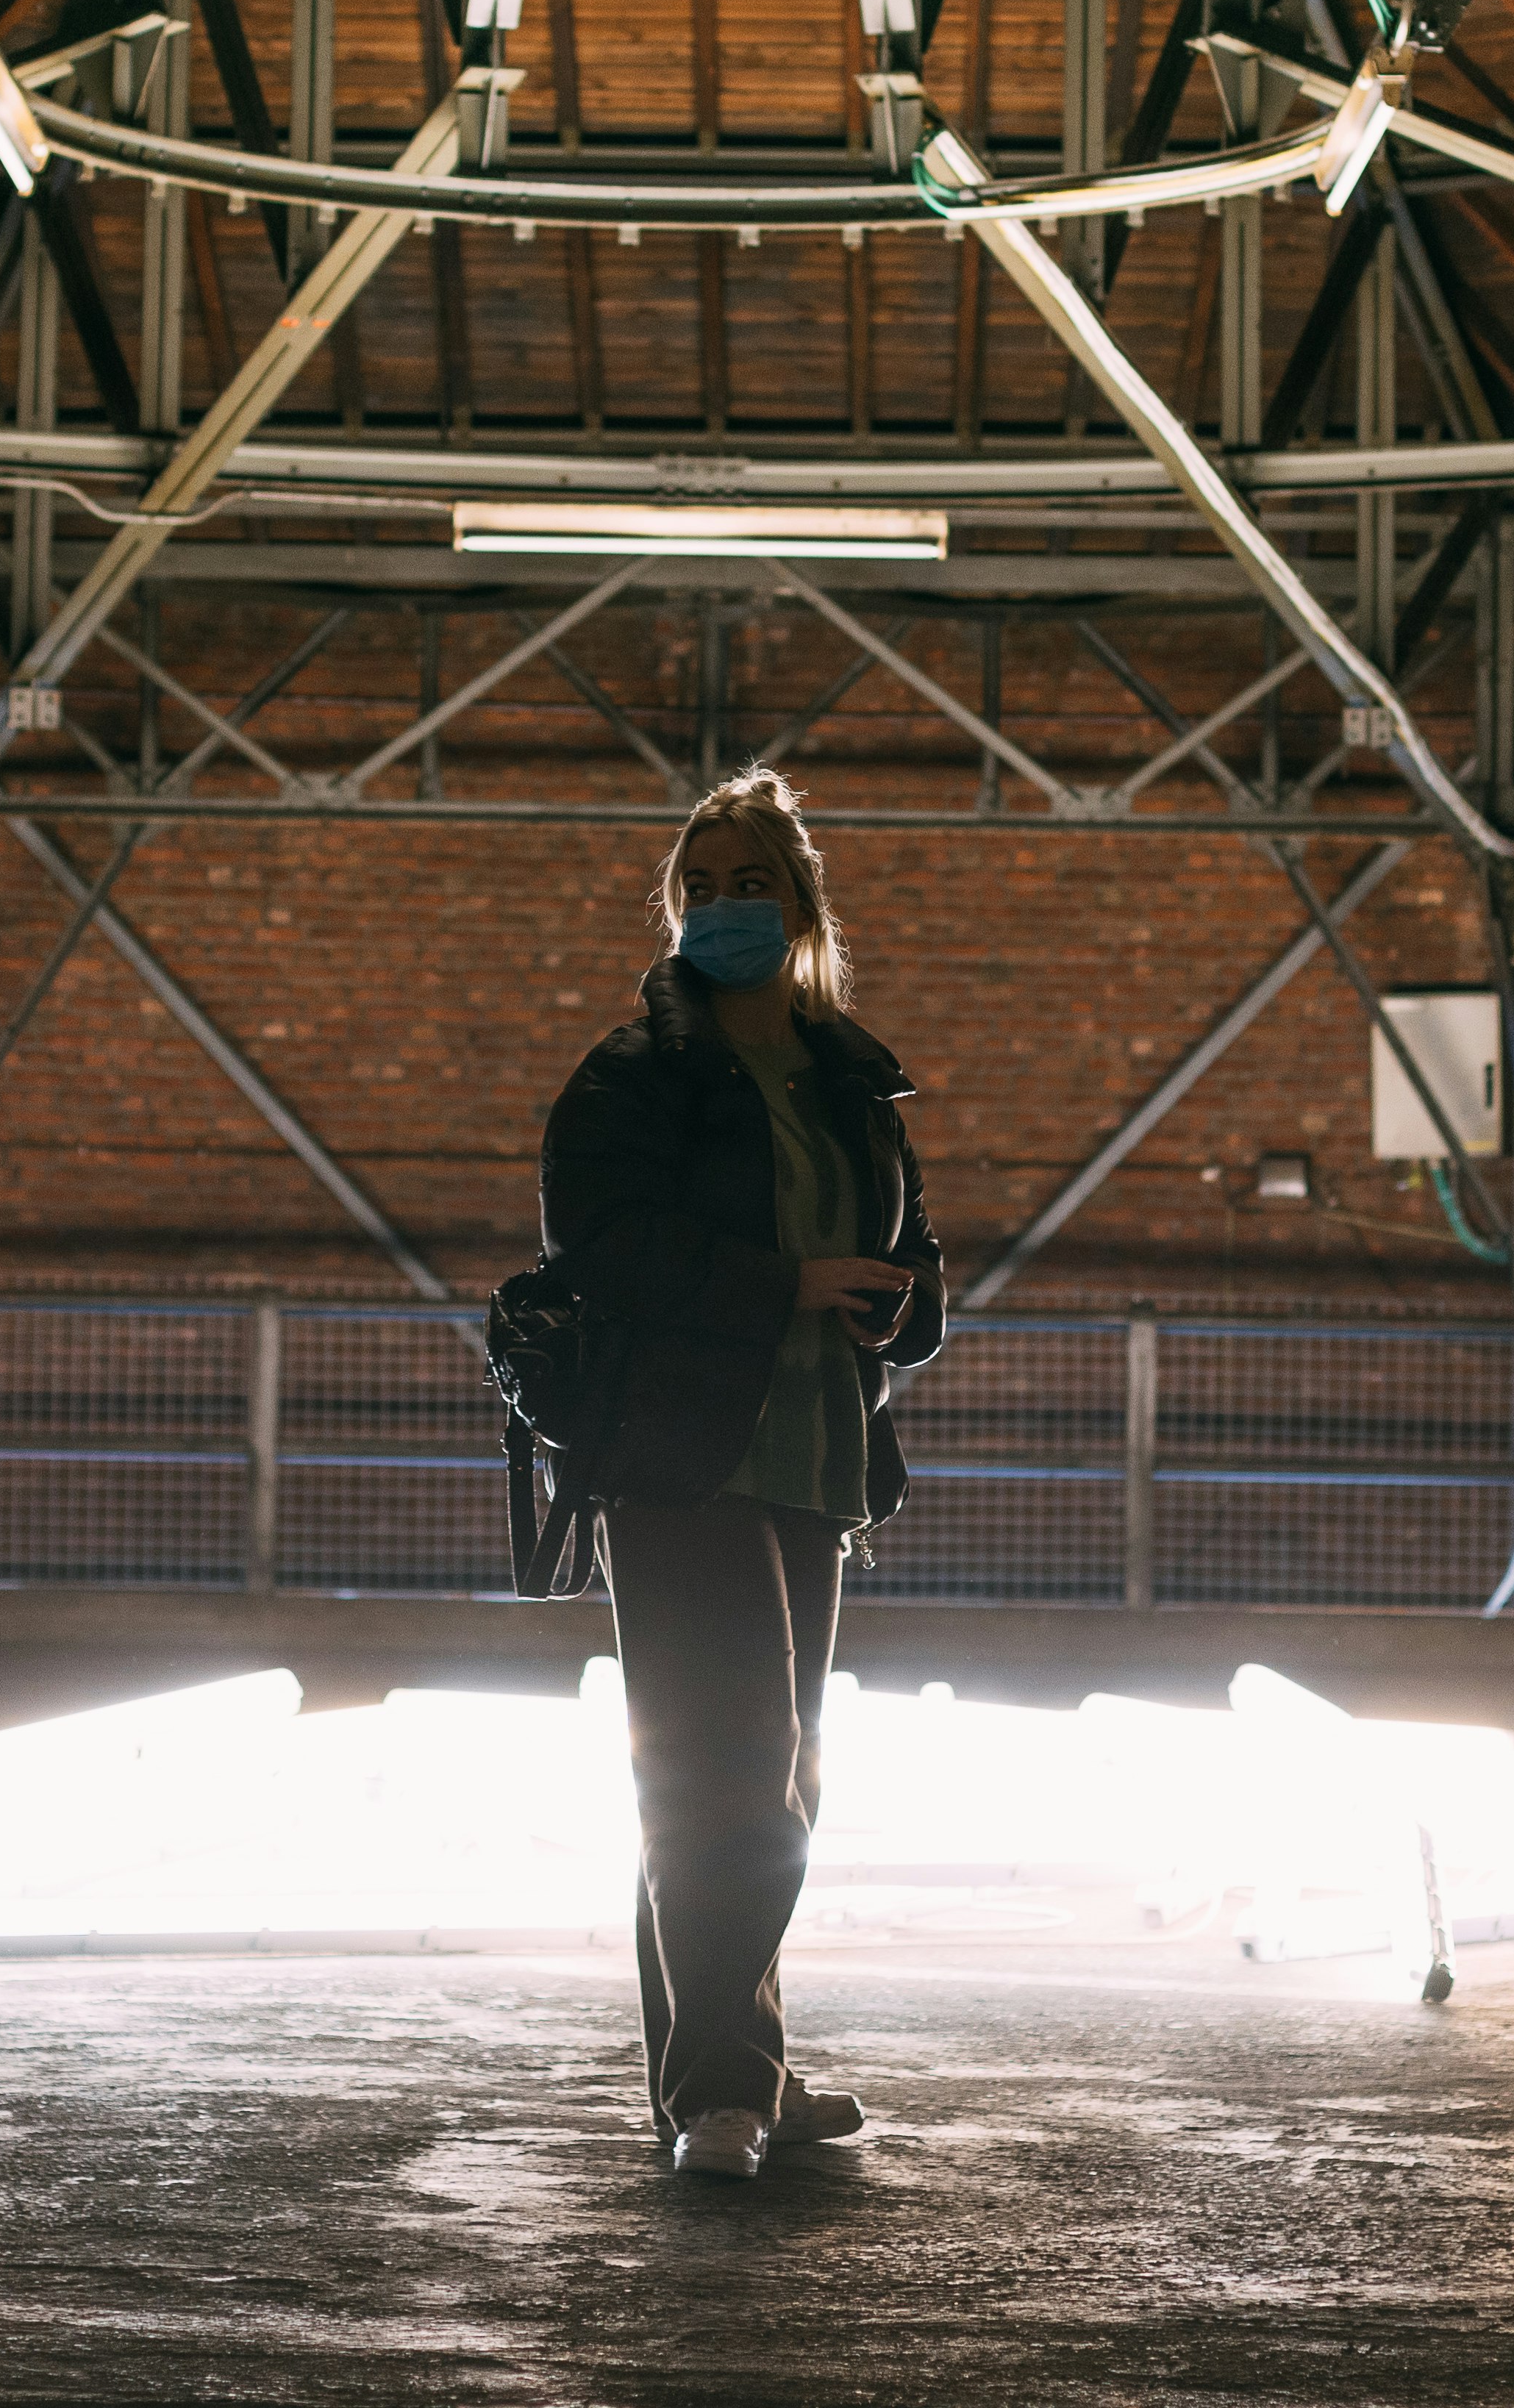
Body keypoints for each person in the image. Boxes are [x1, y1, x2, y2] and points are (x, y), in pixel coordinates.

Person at [532, 766, 948, 2182]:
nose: (720, 908)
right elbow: (604, 1242)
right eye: (696, 887)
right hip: (681, 1461)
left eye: (747, 884)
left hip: (818, 1458)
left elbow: (920, 1263)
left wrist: (898, 1300)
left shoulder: (849, 1081)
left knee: (778, 1783)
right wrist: (786, 1284)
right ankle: (719, 2097)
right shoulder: (633, 1073)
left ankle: (734, 2074)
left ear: (802, 907)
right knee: (726, 1784)